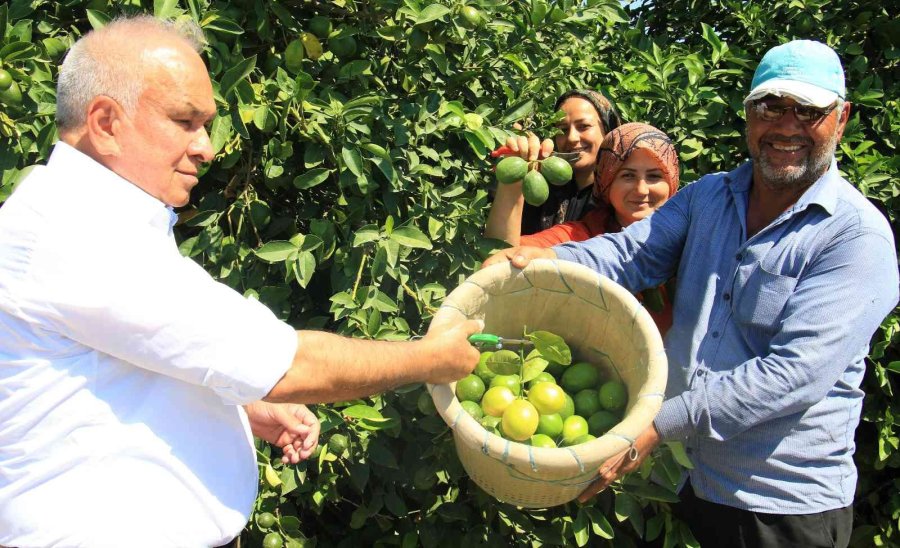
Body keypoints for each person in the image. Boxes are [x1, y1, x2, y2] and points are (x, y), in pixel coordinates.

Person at [0, 16, 482, 548]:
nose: (207, 147)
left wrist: (243, 402)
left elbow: (127, 357)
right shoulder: (77, 235)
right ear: (106, 122)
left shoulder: (89, 217)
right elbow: (292, 364)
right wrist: (433, 359)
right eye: (185, 121)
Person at [484, 40, 899, 547]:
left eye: (809, 110)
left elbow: (792, 375)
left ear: (842, 118)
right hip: (682, 480)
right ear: (749, 114)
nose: (787, 125)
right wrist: (545, 260)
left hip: (777, 504)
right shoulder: (709, 197)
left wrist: (658, 424)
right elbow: (630, 255)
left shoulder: (855, 238)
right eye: (772, 106)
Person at [520, 122, 680, 334]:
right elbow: (513, 253)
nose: (641, 190)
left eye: (654, 176)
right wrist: (512, 184)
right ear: (606, 182)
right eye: (627, 176)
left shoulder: (693, 239)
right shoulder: (580, 235)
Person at [484, 89, 623, 245]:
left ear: (608, 131)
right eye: (562, 129)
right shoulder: (539, 187)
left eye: (583, 126)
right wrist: (514, 180)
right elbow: (498, 249)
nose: (571, 137)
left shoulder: (623, 194)